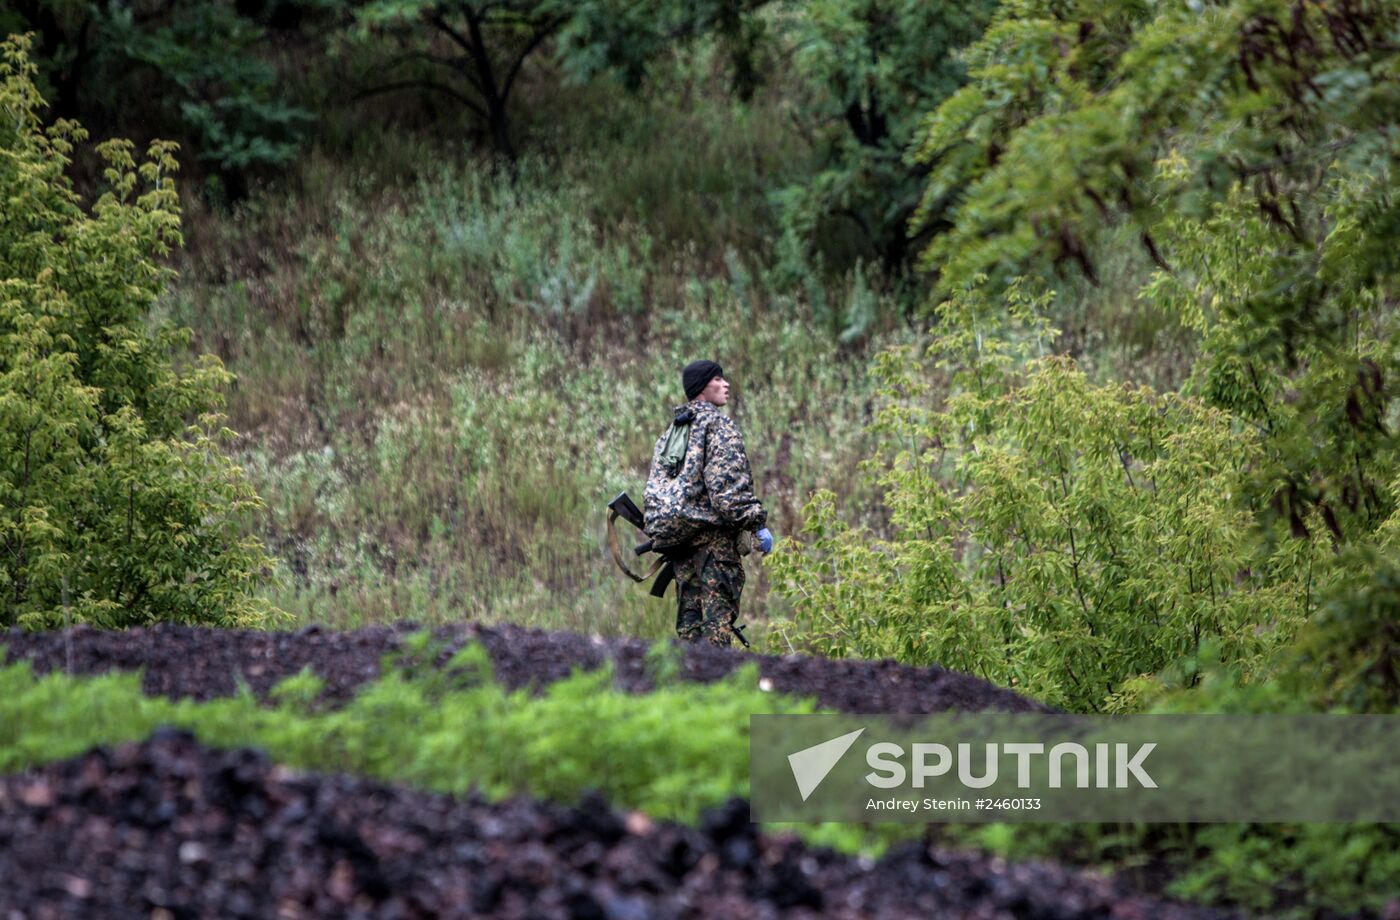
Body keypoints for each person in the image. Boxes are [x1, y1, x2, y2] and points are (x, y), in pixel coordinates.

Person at [644, 360, 774, 647]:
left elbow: (657, 491)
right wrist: (756, 523)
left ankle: (688, 686)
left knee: (689, 633)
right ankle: (717, 687)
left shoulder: (672, 433)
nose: (726, 384)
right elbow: (727, 493)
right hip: (713, 546)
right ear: (703, 387)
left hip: (679, 544)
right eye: (718, 379)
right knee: (716, 633)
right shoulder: (718, 426)